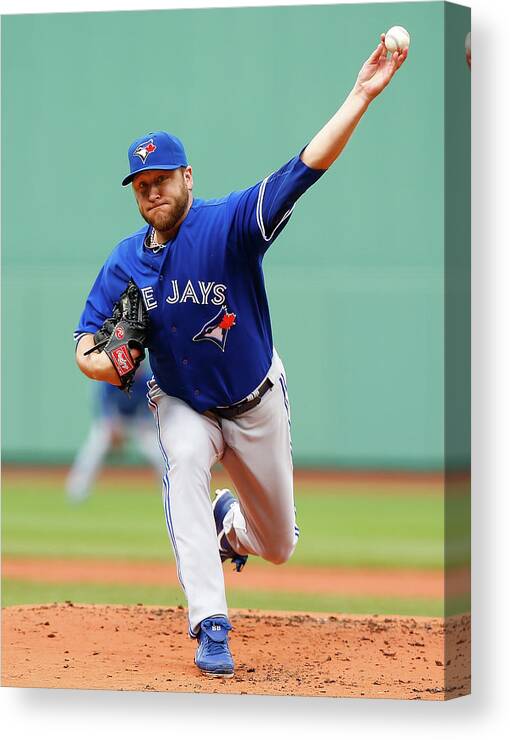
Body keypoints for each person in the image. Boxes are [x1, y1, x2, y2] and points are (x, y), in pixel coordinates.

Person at [74, 36, 407, 677]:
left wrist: (360, 95)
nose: (152, 193)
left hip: (256, 403)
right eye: (141, 185)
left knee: (279, 544)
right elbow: (85, 341)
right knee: (184, 456)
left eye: (162, 180)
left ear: (187, 177)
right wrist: (108, 362)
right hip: (182, 403)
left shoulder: (228, 225)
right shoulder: (125, 261)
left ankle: (234, 522)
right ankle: (211, 626)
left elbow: (303, 169)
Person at [66, 365, 164, 503]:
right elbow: (103, 404)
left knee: (158, 453)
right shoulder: (113, 378)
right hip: (114, 420)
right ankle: (77, 491)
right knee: (94, 448)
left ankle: (168, 492)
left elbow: (153, 406)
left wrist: (146, 424)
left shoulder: (147, 380)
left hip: (138, 422)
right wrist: (112, 426)